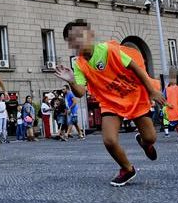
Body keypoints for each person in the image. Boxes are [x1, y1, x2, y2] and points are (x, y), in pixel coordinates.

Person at [55, 19, 167, 187]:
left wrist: (151, 90)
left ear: (90, 35)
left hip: (133, 95)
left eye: (80, 35)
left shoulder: (109, 50)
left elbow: (135, 67)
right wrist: (71, 81)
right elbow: (80, 92)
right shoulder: (79, 64)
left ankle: (144, 143)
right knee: (109, 140)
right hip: (110, 102)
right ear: (70, 44)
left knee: (150, 137)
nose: (77, 41)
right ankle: (127, 169)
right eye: (72, 39)